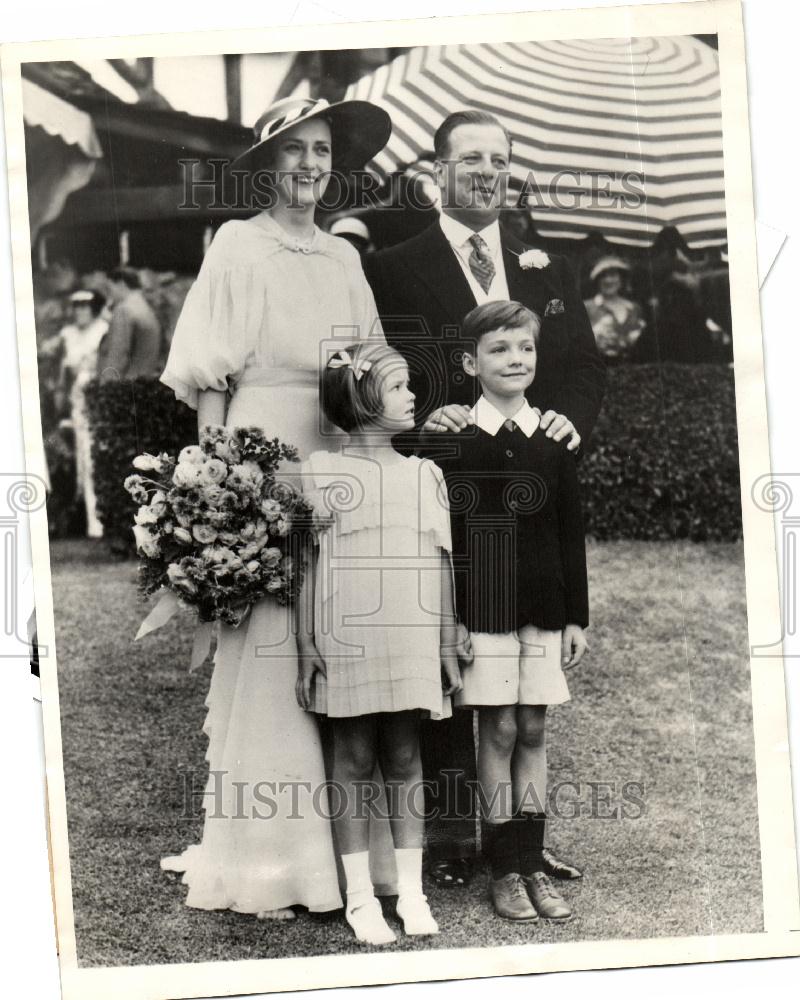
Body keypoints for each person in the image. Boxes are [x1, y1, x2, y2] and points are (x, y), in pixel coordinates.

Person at [158, 95, 393, 920]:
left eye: (322, 152)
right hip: (257, 459)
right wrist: (213, 486)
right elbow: (211, 378)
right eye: (294, 152)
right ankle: (269, 860)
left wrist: (366, 468)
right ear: (266, 165)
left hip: (331, 457)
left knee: (333, 645)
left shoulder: (342, 256)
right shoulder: (237, 244)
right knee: (269, 645)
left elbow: (367, 375)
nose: (309, 166)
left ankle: (349, 858)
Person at [363, 108, 604, 886]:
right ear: (437, 171)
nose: (487, 172)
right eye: (470, 159)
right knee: (454, 653)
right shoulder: (395, 265)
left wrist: (567, 425)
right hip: (442, 485)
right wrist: (419, 415)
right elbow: (379, 365)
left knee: (522, 668)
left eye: (499, 160)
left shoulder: (546, 269)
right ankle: (452, 836)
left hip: (529, 488)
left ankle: (518, 843)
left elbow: (582, 369)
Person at [423, 301, 589, 921]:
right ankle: (504, 869)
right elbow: (450, 538)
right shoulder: (454, 440)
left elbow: (570, 532)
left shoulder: (554, 438)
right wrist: (455, 618)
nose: (515, 359)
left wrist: (577, 616)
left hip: (544, 608)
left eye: (525, 348)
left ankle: (532, 861)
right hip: (483, 611)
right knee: (495, 730)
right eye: (499, 349)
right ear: (470, 362)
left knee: (534, 729)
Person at [296, 341, 461, 944]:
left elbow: (441, 563)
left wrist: (446, 637)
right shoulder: (321, 472)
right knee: (353, 759)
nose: (413, 395)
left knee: (404, 755)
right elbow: (307, 565)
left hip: (409, 631)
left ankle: (411, 892)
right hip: (348, 633)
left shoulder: (424, 472)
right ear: (364, 403)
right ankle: (360, 897)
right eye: (398, 388)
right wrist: (307, 640)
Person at [56, 290, 109, 537]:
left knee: (95, 456)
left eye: (85, 306)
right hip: (77, 402)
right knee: (82, 460)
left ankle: (102, 521)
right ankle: (90, 522)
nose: (80, 311)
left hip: (98, 397)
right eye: (76, 306)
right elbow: (63, 373)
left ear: (94, 308)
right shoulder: (68, 335)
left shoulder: (102, 330)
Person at [97, 267, 162, 383]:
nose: (109, 296)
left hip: (126, 389)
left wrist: (105, 387)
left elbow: (118, 356)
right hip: (145, 385)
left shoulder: (123, 309)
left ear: (121, 284)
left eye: (109, 289)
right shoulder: (146, 309)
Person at [584, 256, 645, 362]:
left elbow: (642, 343)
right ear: (597, 280)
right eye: (603, 276)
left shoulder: (634, 308)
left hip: (631, 369)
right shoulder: (587, 307)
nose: (608, 280)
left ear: (621, 278)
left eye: (613, 275)